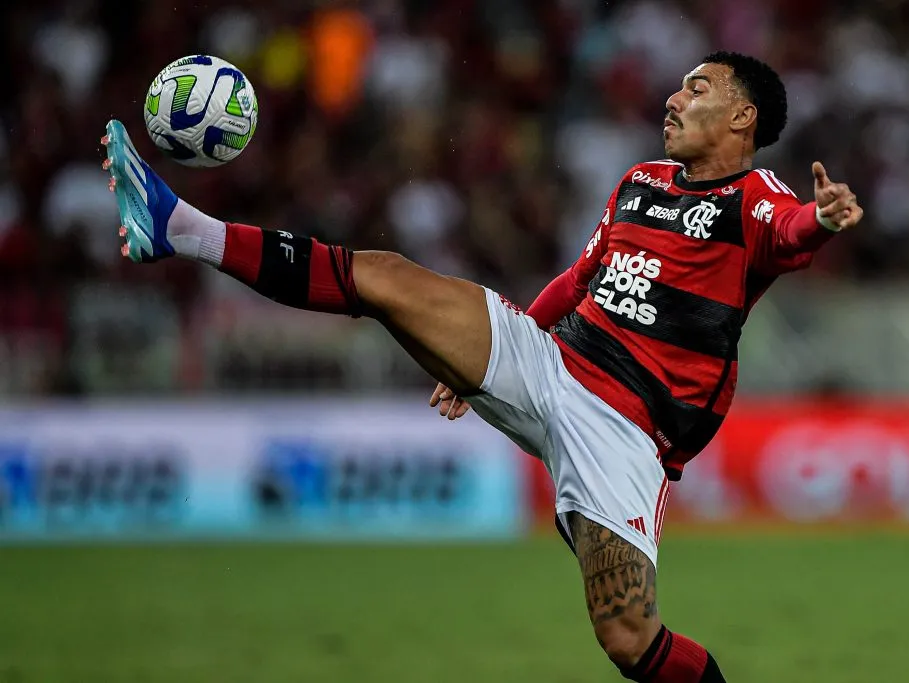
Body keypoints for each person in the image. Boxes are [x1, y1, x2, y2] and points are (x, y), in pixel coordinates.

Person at [102, 51, 862, 682]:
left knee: (629, 638)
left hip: (627, 432)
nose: (674, 96)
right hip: (552, 362)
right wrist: (489, 352)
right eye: (679, 84)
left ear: (742, 117)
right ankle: (180, 226)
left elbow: (789, 233)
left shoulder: (755, 195)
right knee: (388, 277)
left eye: (698, 88)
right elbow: (578, 279)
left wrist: (822, 220)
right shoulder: (641, 182)